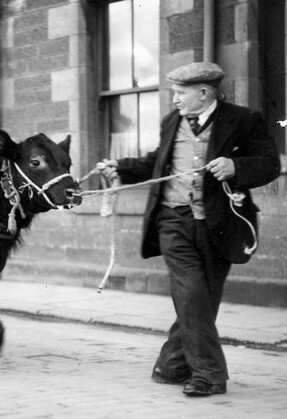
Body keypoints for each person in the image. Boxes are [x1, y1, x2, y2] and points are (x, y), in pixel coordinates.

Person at [97, 62, 280, 397]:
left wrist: (235, 166)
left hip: (220, 224)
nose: (175, 100)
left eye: (180, 93)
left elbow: (271, 163)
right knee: (192, 293)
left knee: (202, 300)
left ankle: (172, 365)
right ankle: (209, 376)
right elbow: (156, 161)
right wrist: (119, 168)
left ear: (204, 93)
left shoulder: (243, 119)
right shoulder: (172, 122)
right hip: (173, 221)